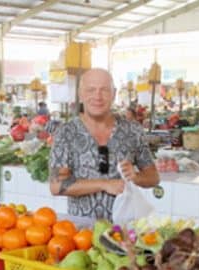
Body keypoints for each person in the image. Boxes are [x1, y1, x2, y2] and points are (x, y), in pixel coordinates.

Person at [49, 68, 159, 219]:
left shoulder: (132, 130)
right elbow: (56, 185)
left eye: (104, 90)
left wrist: (136, 177)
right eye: (91, 90)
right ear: (80, 94)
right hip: (80, 234)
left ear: (113, 93)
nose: (97, 96)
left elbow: (153, 177)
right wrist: (104, 184)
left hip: (125, 231)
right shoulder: (66, 132)